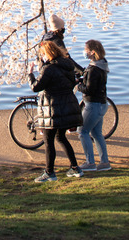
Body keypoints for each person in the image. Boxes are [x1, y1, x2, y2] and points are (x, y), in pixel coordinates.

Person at [29, 39, 84, 182]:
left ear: (47, 54)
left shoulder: (49, 69)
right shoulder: (67, 66)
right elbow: (72, 84)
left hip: (53, 110)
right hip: (67, 107)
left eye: (42, 55)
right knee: (61, 137)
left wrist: (30, 74)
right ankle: (75, 167)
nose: (42, 58)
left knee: (48, 141)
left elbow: (36, 87)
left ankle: (49, 172)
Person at [77, 39, 111, 172]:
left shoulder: (94, 70)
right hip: (102, 104)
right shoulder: (101, 66)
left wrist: (78, 86)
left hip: (93, 105)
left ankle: (90, 162)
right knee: (97, 133)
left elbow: (89, 89)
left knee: (82, 131)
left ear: (92, 52)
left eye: (85, 50)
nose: (84, 52)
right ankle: (104, 162)